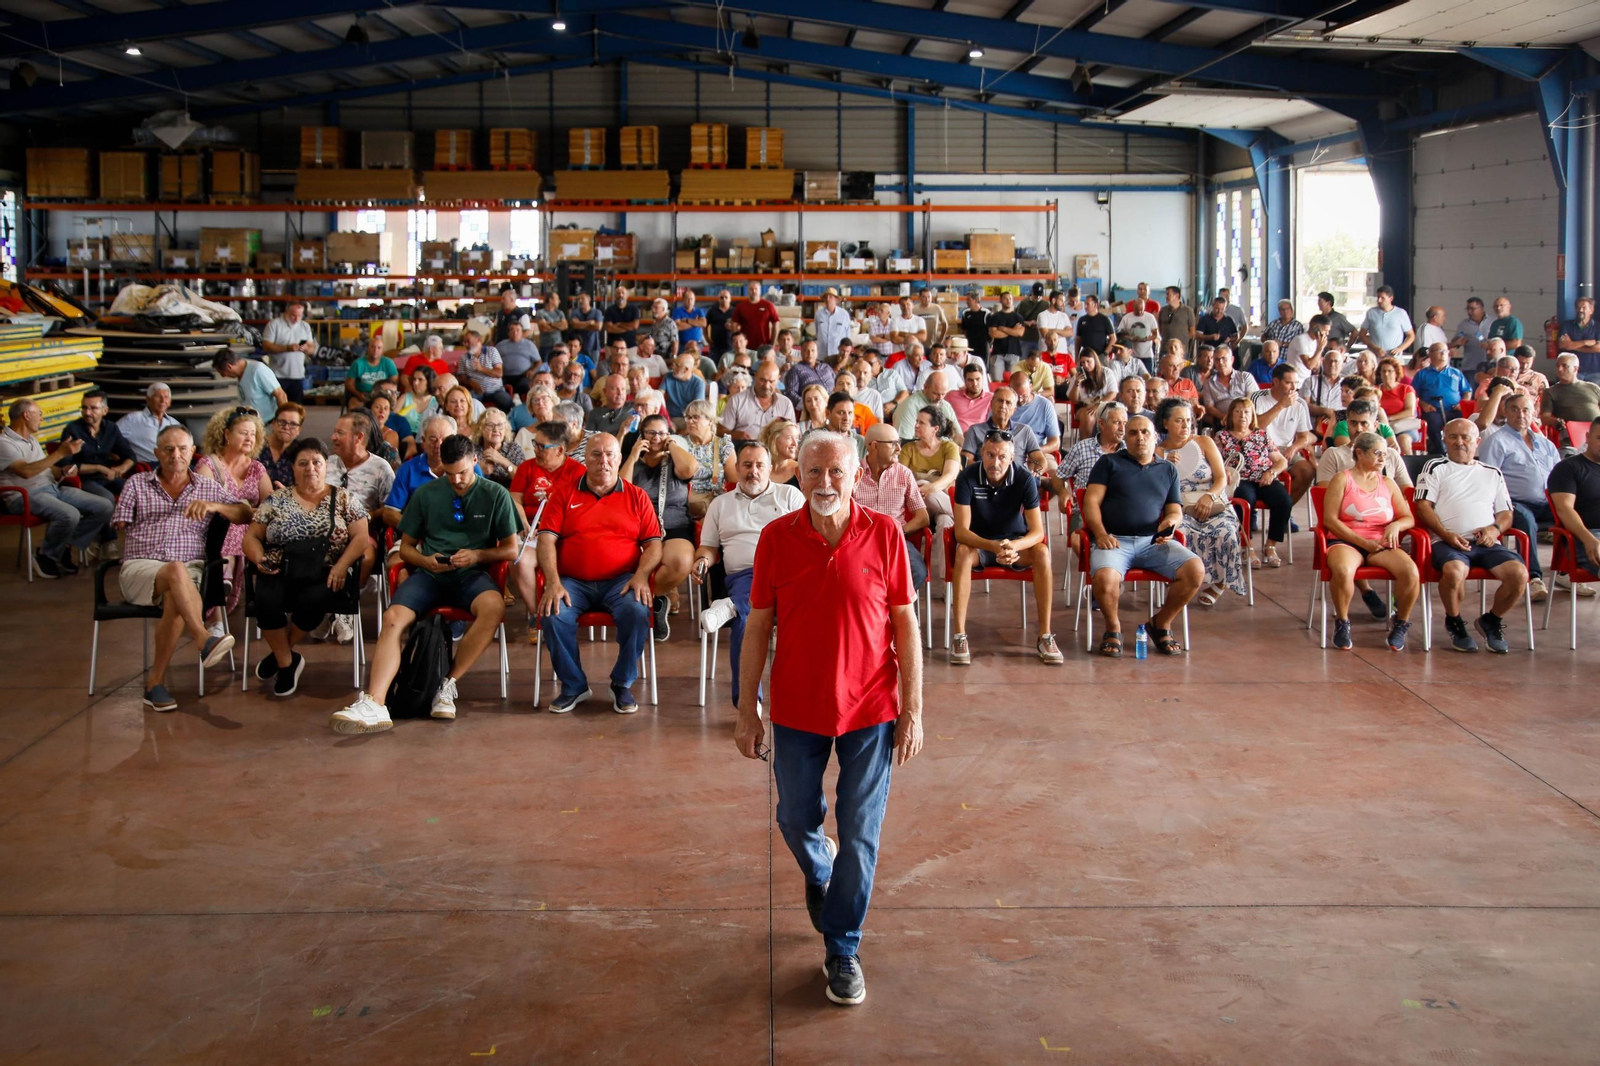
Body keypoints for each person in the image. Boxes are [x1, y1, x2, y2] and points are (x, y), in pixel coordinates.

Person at [730, 428, 923, 1009]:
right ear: (798, 474)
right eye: (813, 471)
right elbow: (757, 626)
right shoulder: (776, 538)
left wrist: (912, 710)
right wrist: (747, 710)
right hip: (797, 706)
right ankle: (820, 870)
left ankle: (842, 948)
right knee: (795, 818)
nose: (825, 482)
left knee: (860, 835)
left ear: (857, 474)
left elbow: (906, 625)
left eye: (837, 470)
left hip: (871, 708)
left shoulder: (885, 534)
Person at [110, 425, 251, 712]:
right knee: (176, 570)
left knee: (176, 593)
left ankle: (155, 685)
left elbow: (244, 513)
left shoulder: (206, 486)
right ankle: (203, 637)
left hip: (190, 570)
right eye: (168, 449)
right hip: (141, 568)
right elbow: (119, 523)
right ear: (156, 453)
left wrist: (214, 507)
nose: (176, 455)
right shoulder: (137, 484)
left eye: (182, 449)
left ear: (192, 452)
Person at [530, 432, 664, 713]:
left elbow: (653, 545)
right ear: (585, 459)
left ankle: (622, 684)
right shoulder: (563, 493)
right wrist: (552, 581)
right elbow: (546, 540)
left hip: (621, 582)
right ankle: (574, 686)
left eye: (610, 455)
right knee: (553, 614)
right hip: (572, 582)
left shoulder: (637, 496)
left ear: (619, 459)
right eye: (596, 454)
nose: (603, 461)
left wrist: (641, 576)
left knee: (638, 611)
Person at [242, 437, 371, 696]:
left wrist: (341, 566)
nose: (310, 468)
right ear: (293, 467)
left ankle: (280, 653)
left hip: (327, 570)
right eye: (303, 463)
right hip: (280, 566)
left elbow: (361, 538)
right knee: (266, 598)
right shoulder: (276, 499)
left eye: (316, 462)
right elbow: (251, 537)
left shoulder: (343, 498)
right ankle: (287, 663)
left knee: (313, 599)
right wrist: (259, 559)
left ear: (326, 465)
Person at [1082, 415, 1205, 657]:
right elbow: (1091, 502)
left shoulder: (1168, 469)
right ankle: (1113, 628)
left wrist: (1170, 523)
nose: (1140, 437)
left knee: (1195, 570)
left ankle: (1160, 623)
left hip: (1153, 542)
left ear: (1155, 437)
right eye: (1133, 433)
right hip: (1115, 541)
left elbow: (1175, 510)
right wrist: (1101, 533)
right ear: (1125, 438)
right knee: (1105, 578)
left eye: (1145, 432)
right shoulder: (1109, 463)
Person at [1414, 419, 1528, 653]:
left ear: (1477, 442)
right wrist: (1446, 534)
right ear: (1444, 440)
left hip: (1487, 543)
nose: (1459, 442)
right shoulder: (1435, 466)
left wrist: (1495, 529)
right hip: (1447, 542)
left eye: (1465, 437)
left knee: (1519, 575)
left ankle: (1492, 620)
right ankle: (1454, 621)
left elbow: (1506, 513)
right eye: (1453, 437)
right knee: (1455, 572)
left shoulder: (1492, 472)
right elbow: (1423, 507)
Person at [947, 430, 1062, 665]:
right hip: (980, 544)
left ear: (1012, 458)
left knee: (1042, 552)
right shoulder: (967, 477)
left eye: (1002, 457)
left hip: (1013, 545)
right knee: (962, 552)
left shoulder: (1024, 478)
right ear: (982, 453)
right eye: (990, 455)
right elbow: (961, 532)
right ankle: (959, 635)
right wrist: (992, 546)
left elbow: (1038, 533)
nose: (995, 463)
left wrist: (1013, 546)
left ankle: (1045, 635)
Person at [1320, 432, 1420, 651]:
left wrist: (1395, 525)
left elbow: (1408, 517)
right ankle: (1342, 622)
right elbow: (1330, 520)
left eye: (1385, 454)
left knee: (1411, 572)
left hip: (1380, 541)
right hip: (1347, 539)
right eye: (1377, 453)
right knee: (1343, 570)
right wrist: (1363, 543)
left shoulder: (1388, 483)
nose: (1383, 458)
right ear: (1359, 453)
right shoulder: (1342, 479)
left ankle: (1401, 623)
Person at [1, 398, 113, 577]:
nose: (42, 418)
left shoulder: (31, 440)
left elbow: (45, 467)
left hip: (51, 489)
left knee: (105, 506)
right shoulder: (4, 443)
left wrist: (62, 470)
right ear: (26, 415)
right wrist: (60, 453)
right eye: (39, 414)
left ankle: (62, 547)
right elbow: (26, 472)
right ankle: (47, 556)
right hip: (24, 496)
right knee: (70, 514)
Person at [1153, 397, 1244, 605]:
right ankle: (1184, 578)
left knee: (1226, 531)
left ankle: (1220, 582)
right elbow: (1155, 487)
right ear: (1166, 423)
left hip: (1212, 500)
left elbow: (1221, 478)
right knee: (1180, 532)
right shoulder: (1158, 452)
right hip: (1180, 507)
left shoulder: (1204, 442)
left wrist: (1209, 496)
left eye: (1188, 420)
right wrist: (1163, 464)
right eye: (1179, 421)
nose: (1185, 425)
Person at [1477, 391, 1561, 602]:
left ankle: (1566, 571)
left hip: (1548, 502)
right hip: (1514, 503)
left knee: (1574, 514)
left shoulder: (1545, 443)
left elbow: (1559, 475)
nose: (1520, 415)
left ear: (1533, 413)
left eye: (1525, 410)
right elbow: (1488, 480)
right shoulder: (1497, 442)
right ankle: (1534, 578)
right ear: (1505, 412)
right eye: (1514, 409)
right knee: (1526, 520)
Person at [622, 414, 697, 632]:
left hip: (674, 525)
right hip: (639, 528)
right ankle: (651, 603)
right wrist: (633, 455)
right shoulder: (633, 462)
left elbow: (689, 469)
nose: (656, 438)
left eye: (662, 433)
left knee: (681, 561)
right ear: (641, 436)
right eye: (651, 433)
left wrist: (671, 444)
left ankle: (649, 599)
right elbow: (621, 492)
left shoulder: (675, 460)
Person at [1214, 396, 1291, 568]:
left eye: (1246, 412)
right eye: (1238, 411)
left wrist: (1272, 472)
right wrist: (1223, 470)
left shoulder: (1261, 435)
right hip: (1239, 479)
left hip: (1263, 477)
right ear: (1231, 415)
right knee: (1245, 501)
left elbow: (1281, 461)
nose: (1242, 416)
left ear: (1252, 416)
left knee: (1284, 501)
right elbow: (1214, 461)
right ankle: (1247, 547)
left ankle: (1270, 546)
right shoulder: (1222, 436)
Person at [854, 423, 931, 589]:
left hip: (896, 540)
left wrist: (899, 532)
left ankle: (889, 604)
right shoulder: (853, 474)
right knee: (854, 573)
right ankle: (874, 601)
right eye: (893, 444)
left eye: (899, 443)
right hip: (861, 542)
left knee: (917, 571)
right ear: (875, 446)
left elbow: (922, 517)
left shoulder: (904, 474)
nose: (899, 449)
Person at [1253, 364, 1318, 508]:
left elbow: (1304, 437)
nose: (1294, 388)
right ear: (1275, 382)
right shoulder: (1258, 397)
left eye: (1296, 383)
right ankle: (1261, 508)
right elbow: (1256, 426)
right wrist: (1281, 405)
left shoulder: (1300, 403)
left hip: (1285, 450)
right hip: (1259, 448)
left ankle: (1284, 510)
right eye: (1288, 383)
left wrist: (1293, 448)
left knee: (1307, 472)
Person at [59, 388, 134, 510]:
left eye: (93, 408)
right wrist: (98, 467)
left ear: (105, 411)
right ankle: (109, 523)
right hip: (84, 479)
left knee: (136, 492)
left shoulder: (111, 428)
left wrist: (121, 468)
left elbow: (130, 455)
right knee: (107, 499)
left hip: (107, 477)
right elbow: (66, 466)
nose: (87, 412)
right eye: (84, 408)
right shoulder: (72, 430)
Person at [1547, 420, 1600, 592]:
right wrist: (1588, 539)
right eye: (1599, 438)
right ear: (1587, 437)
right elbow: (1564, 509)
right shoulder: (1568, 468)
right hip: (1587, 535)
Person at [1411, 342, 1472, 454]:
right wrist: (1423, 404)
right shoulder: (1422, 374)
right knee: (1432, 423)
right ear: (1430, 354)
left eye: (1445, 351)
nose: (1443, 353)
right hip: (1433, 410)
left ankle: (1461, 450)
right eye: (1439, 351)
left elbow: (1467, 391)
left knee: (1462, 424)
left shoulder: (1456, 373)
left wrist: (1463, 403)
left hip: (1454, 409)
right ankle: (1440, 452)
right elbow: (1413, 394)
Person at [961, 386, 1044, 468]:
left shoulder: (1025, 431)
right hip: (985, 474)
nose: (1003, 406)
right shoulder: (975, 430)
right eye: (1000, 401)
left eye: (1008, 403)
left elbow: (1040, 459)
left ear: (1014, 410)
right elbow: (965, 460)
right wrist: (984, 470)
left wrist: (1037, 472)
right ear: (991, 404)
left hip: (1018, 475)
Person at [680, 398, 735, 518]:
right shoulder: (679, 444)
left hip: (716, 506)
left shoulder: (723, 445)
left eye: (696, 417)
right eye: (688, 417)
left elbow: (734, 483)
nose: (690, 421)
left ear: (710, 421)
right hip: (685, 506)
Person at [1061, 400, 1127, 494]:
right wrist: (1063, 493)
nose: (1122, 429)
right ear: (1102, 424)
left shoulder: (1130, 451)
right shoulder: (1081, 448)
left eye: (1124, 423)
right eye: (1117, 423)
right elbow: (1058, 477)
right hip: (1085, 502)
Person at [720, 361, 796, 443]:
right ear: (755, 376)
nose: (766, 386)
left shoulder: (786, 404)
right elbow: (720, 432)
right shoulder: (737, 400)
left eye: (771, 381)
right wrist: (735, 435)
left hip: (774, 450)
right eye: (762, 380)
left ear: (778, 379)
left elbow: (793, 434)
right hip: (743, 448)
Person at [260, 299, 316, 403]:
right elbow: (266, 346)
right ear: (286, 312)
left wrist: (306, 349)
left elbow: (311, 349)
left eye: (300, 316)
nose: (296, 319)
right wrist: (287, 348)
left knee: (295, 407)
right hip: (278, 375)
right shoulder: (274, 324)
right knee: (277, 407)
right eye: (293, 315)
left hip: (298, 375)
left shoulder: (305, 326)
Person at [212, 350, 288, 424]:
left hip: (269, 423)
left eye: (222, 373)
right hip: (255, 424)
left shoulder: (258, 370)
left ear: (229, 366)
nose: (223, 376)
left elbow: (281, 395)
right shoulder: (240, 375)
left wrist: (283, 421)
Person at [116, 383, 182, 466]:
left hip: (171, 465)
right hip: (146, 466)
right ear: (148, 399)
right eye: (158, 396)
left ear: (169, 402)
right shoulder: (133, 419)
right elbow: (109, 437)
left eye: (166, 397)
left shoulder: (175, 423)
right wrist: (116, 455)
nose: (163, 401)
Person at [1542, 353, 1600, 439]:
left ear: (1575, 368)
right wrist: (1555, 421)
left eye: (1564, 366)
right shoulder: (1550, 392)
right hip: (1570, 434)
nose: (1559, 369)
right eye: (1557, 366)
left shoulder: (1593, 387)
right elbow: (1544, 418)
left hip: (1596, 431)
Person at [1065, 348, 1120, 435]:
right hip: (1085, 406)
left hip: (1104, 404)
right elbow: (1074, 400)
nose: (1086, 365)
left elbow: (1113, 393)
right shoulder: (1078, 376)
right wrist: (1076, 384)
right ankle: (1087, 443)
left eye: (1088, 361)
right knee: (1088, 416)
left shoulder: (1107, 372)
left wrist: (1098, 405)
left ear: (1095, 360)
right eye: (1083, 363)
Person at [1006, 369, 1062, 454]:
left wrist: (1035, 451)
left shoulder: (1045, 405)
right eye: (1016, 396)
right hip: (1008, 452)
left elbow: (1055, 443)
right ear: (1009, 388)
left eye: (1024, 396)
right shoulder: (1002, 404)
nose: (1020, 400)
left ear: (1031, 387)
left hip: (1038, 452)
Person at [1375, 356, 1421, 452]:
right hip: (1381, 427)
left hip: (1403, 427)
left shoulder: (1406, 389)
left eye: (1390, 371)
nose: (1386, 374)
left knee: (1404, 440)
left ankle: (1409, 461)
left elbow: (1410, 411)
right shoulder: (1375, 390)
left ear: (1396, 373)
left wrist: (1389, 418)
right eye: (1383, 371)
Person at [1358, 286, 1416, 361]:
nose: (1379, 300)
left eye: (1382, 298)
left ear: (1391, 298)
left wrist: (1399, 349)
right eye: (1378, 297)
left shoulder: (1401, 313)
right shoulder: (1371, 313)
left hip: (1394, 358)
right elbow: (1362, 335)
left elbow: (1411, 336)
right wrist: (1375, 348)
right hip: (1374, 357)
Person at [1200, 345, 1254, 426]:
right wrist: (1224, 416)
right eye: (1217, 359)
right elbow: (1209, 407)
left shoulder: (1245, 377)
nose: (1220, 362)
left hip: (1245, 418)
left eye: (1224, 358)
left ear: (1232, 359)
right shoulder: (1208, 383)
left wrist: (1240, 416)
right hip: (1223, 420)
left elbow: (1253, 400)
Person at [472, 407, 524, 490]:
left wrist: (503, 461)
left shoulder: (514, 449)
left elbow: (523, 480)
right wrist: (478, 470)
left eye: (500, 425)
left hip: (509, 494)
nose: (496, 430)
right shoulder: (472, 450)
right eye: (490, 425)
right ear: (481, 429)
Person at [1558, 296, 1600, 384]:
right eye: (1578, 307)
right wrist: (1585, 342)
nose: (1580, 310)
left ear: (1591, 310)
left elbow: (1598, 348)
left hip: (1594, 372)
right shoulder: (1566, 325)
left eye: (1584, 307)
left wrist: (1572, 345)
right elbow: (1563, 345)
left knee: (1593, 393)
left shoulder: (1598, 327)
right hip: (1572, 371)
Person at [346, 332, 398, 402]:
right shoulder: (357, 364)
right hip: (362, 395)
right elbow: (349, 384)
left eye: (379, 348)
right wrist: (358, 394)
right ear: (368, 348)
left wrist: (386, 394)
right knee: (354, 404)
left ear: (382, 351)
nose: (375, 350)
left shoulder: (389, 363)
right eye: (372, 346)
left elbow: (394, 382)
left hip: (383, 395)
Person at [944, 360, 993, 434]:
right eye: (970, 380)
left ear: (983, 379)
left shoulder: (991, 398)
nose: (975, 384)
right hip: (956, 436)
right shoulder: (952, 395)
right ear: (965, 381)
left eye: (978, 379)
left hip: (979, 436)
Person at [497, 317, 542, 396]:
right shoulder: (500, 345)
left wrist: (532, 370)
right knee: (497, 390)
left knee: (525, 387)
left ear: (522, 332)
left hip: (522, 376)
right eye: (512, 330)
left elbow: (538, 361)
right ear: (508, 332)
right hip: (504, 376)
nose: (515, 333)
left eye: (518, 330)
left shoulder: (529, 345)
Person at [985, 292, 1025, 381]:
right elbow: (993, 334)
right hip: (997, 353)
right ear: (1001, 300)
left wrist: (1003, 328)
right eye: (1005, 299)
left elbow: (1020, 333)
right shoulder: (994, 317)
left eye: (1010, 298)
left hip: (1014, 352)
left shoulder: (1018, 317)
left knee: (1014, 380)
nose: (1008, 301)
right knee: (996, 380)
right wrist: (1012, 330)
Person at [784, 338, 835, 406]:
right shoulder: (796, 370)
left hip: (836, 402)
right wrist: (806, 405)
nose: (810, 353)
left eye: (812, 350)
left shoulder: (826, 367)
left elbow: (837, 382)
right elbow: (790, 393)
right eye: (806, 350)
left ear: (817, 352)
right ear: (801, 352)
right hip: (815, 406)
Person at [661, 350, 707, 426]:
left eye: (677, 365)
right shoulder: (668, 376)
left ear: (686, 369)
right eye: (674, 363)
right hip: (669, 418)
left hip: (688, 420)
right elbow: (659, 394)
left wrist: (687, 426)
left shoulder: (698, 383)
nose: (673, 367)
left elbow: (697, 408)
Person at [730, 281, 779, 350]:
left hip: (764, 346)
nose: (754, 291)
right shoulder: (740, 307)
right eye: (751, 289)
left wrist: (772, 344)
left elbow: (776, 324)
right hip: (745, 347)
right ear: (748, 291)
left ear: (760, 291)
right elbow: (734, 324)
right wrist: (738, 342)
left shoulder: (768, 305)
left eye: (756, 289)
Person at [586, 374, 633, 438]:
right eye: (615, 389)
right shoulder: (595, 414)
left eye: (623, 389)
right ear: (605, 391)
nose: (620, 393)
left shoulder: (634, 408)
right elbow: (588, 440)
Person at [396, 364, 439, 435]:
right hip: (403, 437)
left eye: (420, 380)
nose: (415, 383)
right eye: (414, 379)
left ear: (429, 381)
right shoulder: (405, 397)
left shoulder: (436, 401)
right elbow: (392, 419)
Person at [1074, 295, 1115, 363]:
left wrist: (1105, 353)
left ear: (1095, 305)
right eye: (1085, 304)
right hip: (1085, 357)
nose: (1085, 306)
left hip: (1100, 356)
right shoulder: (1082, 320)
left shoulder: (1105, 320)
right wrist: (1076, 357)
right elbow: (1078, 339)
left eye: (1088, 304)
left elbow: (1113, 338)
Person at [763, 418, 803, 489]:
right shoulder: (760, 469)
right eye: (789, 438)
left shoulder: (801, 470)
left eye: (796, 438)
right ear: (774, 439)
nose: (795, 443)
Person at [959, 291, 990, 370]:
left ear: (975, 300)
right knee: (970, 367)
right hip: (970, 346)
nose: (966, 302)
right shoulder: (965, 313)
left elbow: (991, 331)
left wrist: (989, 344)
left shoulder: (986, 313)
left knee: (983, 367)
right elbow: (964, 330)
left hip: (983, 346)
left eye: (968, 299)